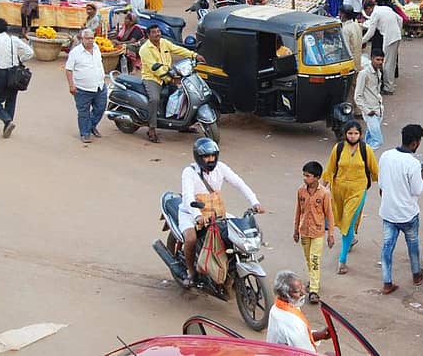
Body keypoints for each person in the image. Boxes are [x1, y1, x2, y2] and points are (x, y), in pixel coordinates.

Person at [179, 138, 264, 286]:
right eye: (206, 156)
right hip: (191, 213)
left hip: (216, 213)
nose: (210, 159)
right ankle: (191, 272)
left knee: (235, 233)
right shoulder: (189, 172)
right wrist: (197, 215)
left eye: (213, 156)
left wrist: (255, 202)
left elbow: (239, 184)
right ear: (198, 157)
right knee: (191, 238)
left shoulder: (221, 168)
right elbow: (188, 197)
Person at [378, 123, 423, 295]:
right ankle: (416, 274)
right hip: (408, 214)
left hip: (388, 212)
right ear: (415, 143)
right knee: (412, 244)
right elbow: (417, 190)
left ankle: (387, 283)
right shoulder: (413, 164)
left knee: (387, 248)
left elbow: (381, 184)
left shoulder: (386, 156)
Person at [323, 121, 379, 275]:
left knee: (347, 223)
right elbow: (330, 169)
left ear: (360, 135)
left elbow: (375, 171)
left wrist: (384, 188)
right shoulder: (338, 148)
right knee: (343, 220)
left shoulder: (366, 150)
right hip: (339, 192)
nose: (353, 136)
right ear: (345, 134)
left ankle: (342, 261)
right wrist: (322, 188)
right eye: (350, 133)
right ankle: (351, 239)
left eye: (356, 133)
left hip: (358, 192)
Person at [138, 24, 205, 143]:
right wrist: (170, 78)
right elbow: (155, 68)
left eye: (158, 31)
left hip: (168, 75)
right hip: (152, 78)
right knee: (155, 99)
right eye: (154, 32)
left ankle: (182, 124)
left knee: (182, 96)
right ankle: (151, 128)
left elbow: (178, 49)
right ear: (148, 35)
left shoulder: (164, 42)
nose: (157, 34)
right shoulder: (144, 49)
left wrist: (194, 55)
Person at [293, 161, 335, 304]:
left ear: (317, 177)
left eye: (308, 176)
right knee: (308, 259)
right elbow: (298, 211)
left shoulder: (324, 193)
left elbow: (329, 214)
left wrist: (331, 234)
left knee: (314, 260)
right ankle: (313, 280)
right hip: (304, 231)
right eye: (304, 175)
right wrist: (296, 230)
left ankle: (314, 290)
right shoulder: (301, 191)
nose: (305, 178)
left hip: (318, 232)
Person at [0, 18, 34, 138]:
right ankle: (8, 123)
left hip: (1, 73)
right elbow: (30, 52)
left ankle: (6, 120)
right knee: (11, 100)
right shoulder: (14, 40)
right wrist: (20, 60)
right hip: (14, 73)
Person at [266, 270, 331, 351]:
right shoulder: (291, 323)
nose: (303, 293)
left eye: (302, 288)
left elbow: (302, 337)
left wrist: (321, 335)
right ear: (284, 295)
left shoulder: (277, 307)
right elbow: (305, 351)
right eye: (297, 292)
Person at [65, 29, 107, 143]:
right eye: (87, 38)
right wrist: (71, 86)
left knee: (100, 108)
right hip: (83, 89)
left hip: (99, 86)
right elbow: (68, 70)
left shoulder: (97, 48)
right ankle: (85, 133)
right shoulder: (75, 52)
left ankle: (91, 126)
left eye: (92, 38)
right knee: (84, 112)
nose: (90, 41)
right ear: (82, 39)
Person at [361, 0, 402, 94]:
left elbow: (370, 32)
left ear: (369, 8)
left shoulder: (375, 13)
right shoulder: (385, 8)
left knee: (387, 64)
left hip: (389, 38)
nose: (368, 14)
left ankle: (388, 88)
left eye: (367, 12)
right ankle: (388, 85)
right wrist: (397, 30)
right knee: (391, 63)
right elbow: (400, 19)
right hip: (395, 36)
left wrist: (361, 42)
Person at [355, 49, 385, 149]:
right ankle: (364, 155)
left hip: (378, 110)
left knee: (370, 139)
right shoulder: (364, 74)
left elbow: (376, 91)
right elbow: (357, 96)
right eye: (377, 60)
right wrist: (367, 111)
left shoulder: (378, 72)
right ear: (372, 58)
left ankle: (363, 155)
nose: (380, 62)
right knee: (378, 141)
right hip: (370, 111)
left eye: (381, 60)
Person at [339, 5, 363, 116]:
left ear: (343, 15)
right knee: (356, 87)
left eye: (340, 13)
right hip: (358, 61)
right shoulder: (356, 25)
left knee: (349, 89)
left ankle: (351, 110)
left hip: (350, 63)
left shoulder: (345, 29)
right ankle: (358, 110)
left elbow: (346, 49)